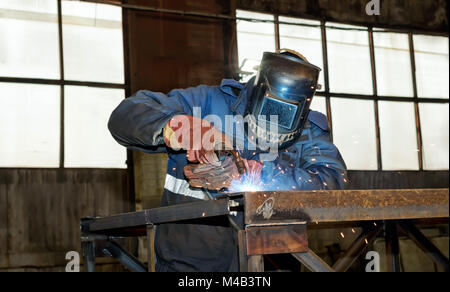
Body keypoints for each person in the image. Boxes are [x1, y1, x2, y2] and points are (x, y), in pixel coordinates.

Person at [108, 49, 348, 272]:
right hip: (189, 268)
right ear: (259, 88)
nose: (274, 122)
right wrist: (177, 127)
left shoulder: (310, 130)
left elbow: (334, 183)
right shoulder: (206, 103)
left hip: (273, 265)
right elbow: (126, 114)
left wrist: (261, 172)